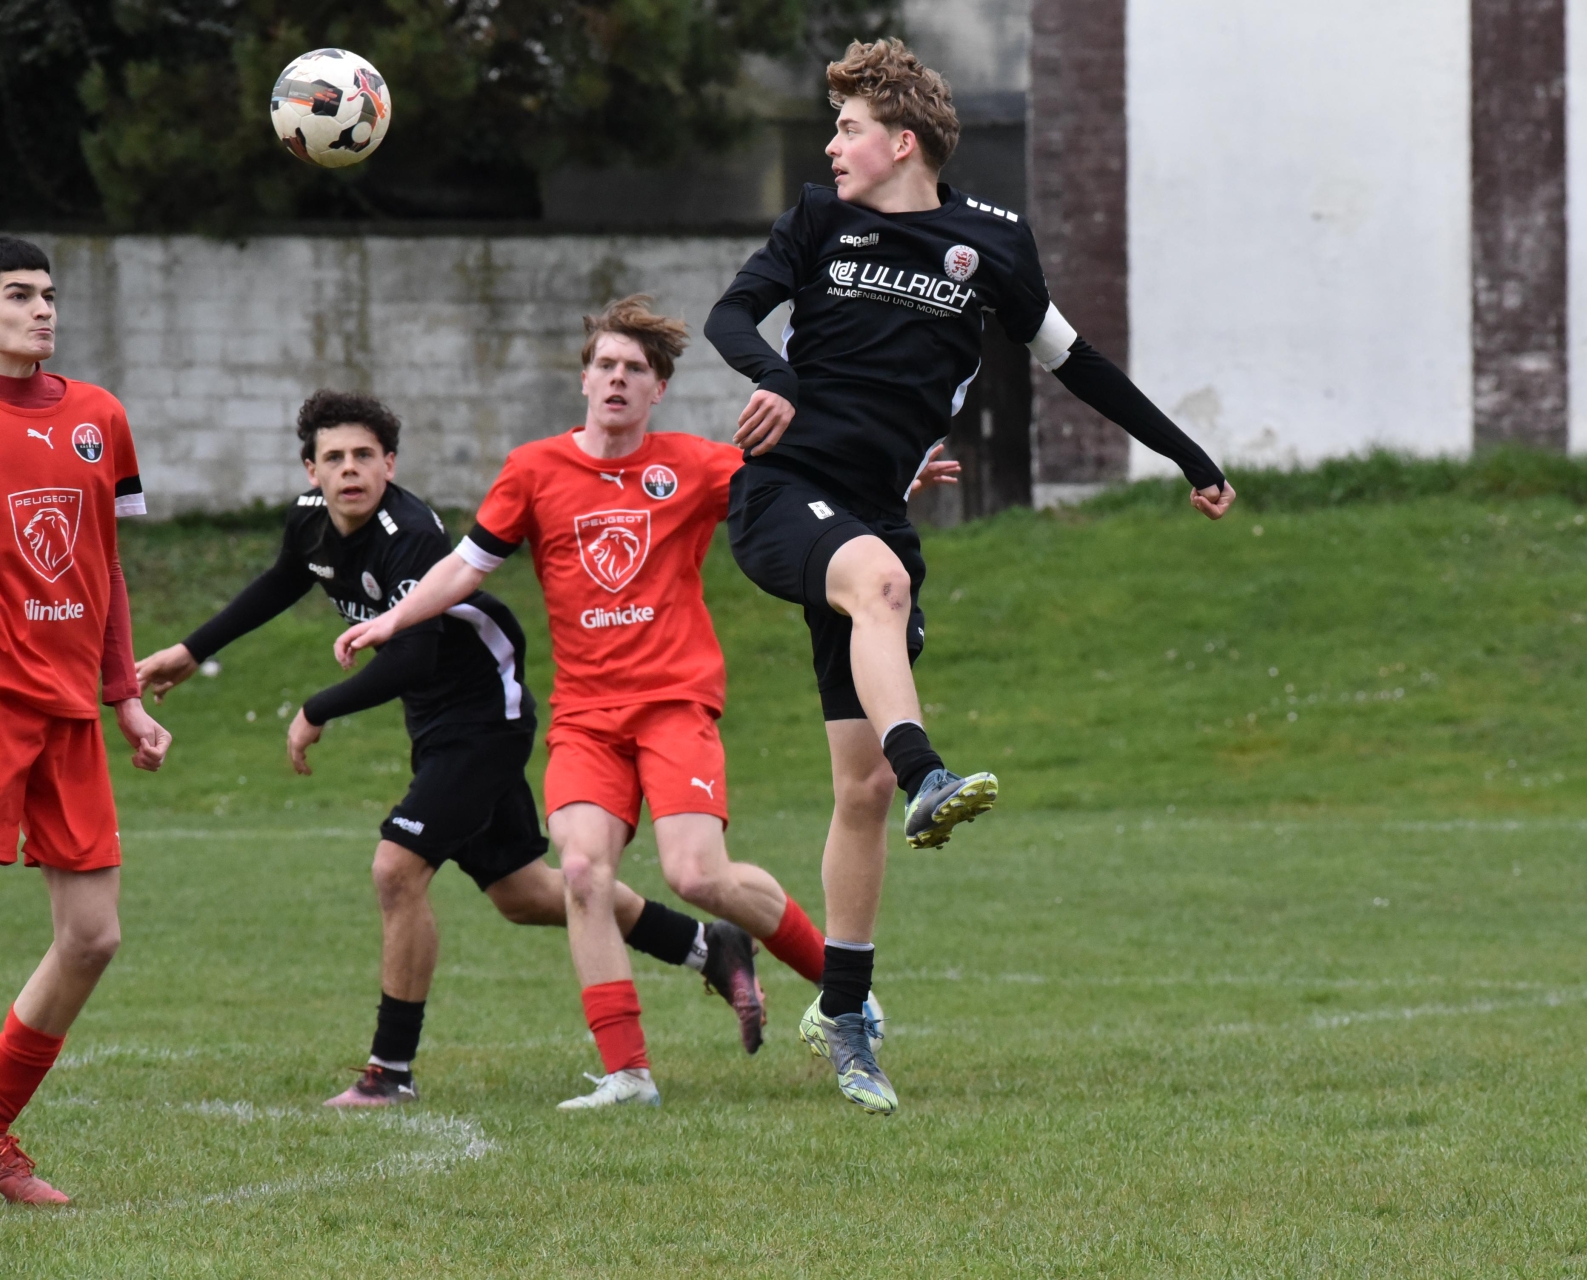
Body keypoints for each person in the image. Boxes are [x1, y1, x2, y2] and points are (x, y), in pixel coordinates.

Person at [703, 39, 1237, 1116]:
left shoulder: (992, 242)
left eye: (849, 127)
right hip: (782, 495)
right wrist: (778, 380)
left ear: (902, 141)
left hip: (877, 512)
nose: (831, 145)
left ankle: (843, 1013)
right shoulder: (818, 221)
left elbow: (1079, 363)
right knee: (878, 588)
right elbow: (729, 317)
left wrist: (1189, 455)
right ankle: (930, 775)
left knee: (856, 785)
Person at [335, 297, 884, 1110]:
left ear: (658, 389)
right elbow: (466, 565)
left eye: (635, 369)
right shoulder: (533, 470)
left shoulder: (696, 464)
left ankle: (846, 997)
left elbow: (798, 489)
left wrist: (890, 477)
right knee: (584, 873)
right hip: (586, 718)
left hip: (674, 704)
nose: (618, 379)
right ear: (585, 380)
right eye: (606, 366)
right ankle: (628, 1074)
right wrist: (394, 617)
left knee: (698, 875)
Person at [136, 388, 749, 1111]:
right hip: (435, 722)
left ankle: (389, 1071)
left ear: (390, 463)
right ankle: (707, 946)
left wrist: (317, 709)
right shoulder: (309, 521)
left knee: (396, 868)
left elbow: (415, 654)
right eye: (334, 458)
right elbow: (282, 581)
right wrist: (190, 650)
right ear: (310, 471)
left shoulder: (410, 533)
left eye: (365, 455)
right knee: (524, 894)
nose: (350, 469)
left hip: (485, 716)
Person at [0, 234, 173, 1204]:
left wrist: (126, 698)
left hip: (68, 714)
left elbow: (101, 566)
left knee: (93, 936)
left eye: (48, 295)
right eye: (18, 294)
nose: (42, 310)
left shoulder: (100, 416)